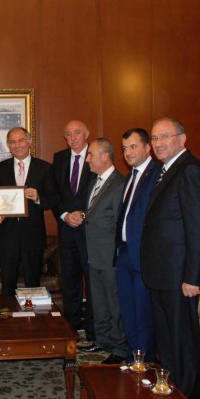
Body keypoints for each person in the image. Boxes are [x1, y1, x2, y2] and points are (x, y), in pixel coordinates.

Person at [141, 117, 200, 399]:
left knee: (182, 343)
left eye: (165, 137)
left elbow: (199, 227)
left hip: (178, 276)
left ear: (182, 139)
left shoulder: (190, 170)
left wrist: (193, 276)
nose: (158, 143)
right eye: (155, 138)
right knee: (167, 342)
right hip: (161, 273)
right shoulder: (166, 170)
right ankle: (172, 395)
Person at [0, 127, 57, 295]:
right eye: (12, 142)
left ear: (29, 142)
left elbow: (53, 198)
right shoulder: (0, 168)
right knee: (7, 286)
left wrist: (38, 197)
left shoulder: (44, 168)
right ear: (8, 145)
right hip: (7, 236)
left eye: (20, 140)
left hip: (33, 236)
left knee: (33, 285)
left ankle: (31, 313)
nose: (17, 145)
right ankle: (8, 313)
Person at [114, 128, 160, 362]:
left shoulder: (157, 174)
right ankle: (133, 358)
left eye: (133, 147)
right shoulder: (130, 176)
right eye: (125, 148)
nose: (128, 153)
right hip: (124, 253)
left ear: (147, 147)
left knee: (143, 313)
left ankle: (145, 362)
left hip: (143, 255)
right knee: (128, 310)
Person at [82, 138, 128, 363]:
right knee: (99, 303)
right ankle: (103, 341)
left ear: (105, 156)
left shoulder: (119, 184)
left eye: (91, 154)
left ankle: (119, 349)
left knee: (114, 304)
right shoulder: (95, 182)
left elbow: (121, 224)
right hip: (94, 255)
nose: (87, 159)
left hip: (111, 257)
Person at [52, 120, 96, 345]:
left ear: (86, 133)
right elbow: (54, 193)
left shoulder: (96, 155)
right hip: (66, 229)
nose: (73, 138)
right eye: (68, 134)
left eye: (77, 133)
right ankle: (72, 326)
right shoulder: (59, 158)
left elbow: (102, 190)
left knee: (92, 281)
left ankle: (92, 330)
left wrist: (84, 214)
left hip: (90, 231)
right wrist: (64, 215)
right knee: (69, 280)